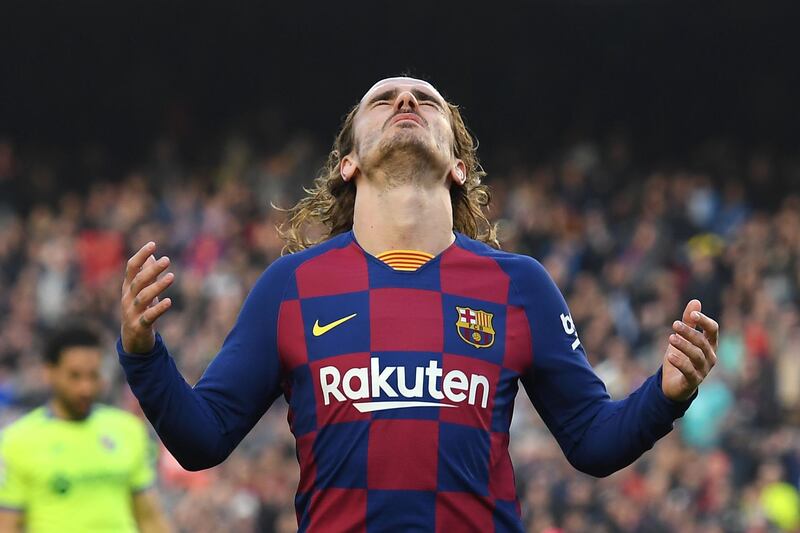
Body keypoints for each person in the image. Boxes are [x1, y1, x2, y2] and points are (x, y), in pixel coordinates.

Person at [117, 77, 719, 532]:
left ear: (458, 166)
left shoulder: (520, 285)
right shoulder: (290, 287)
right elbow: (203, 438)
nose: (406, 101)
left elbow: (592, 441)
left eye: (425, 101)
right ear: (348, 162)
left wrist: (668, 392)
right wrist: (143, 354)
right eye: (384, 100)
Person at [0, 324, 170, 533]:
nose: (86, 388)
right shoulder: (17, 441)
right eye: (75, 376)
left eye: (93, 375)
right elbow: (8, 525)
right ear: (49, 373)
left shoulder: (128, 430)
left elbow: (149, 518)